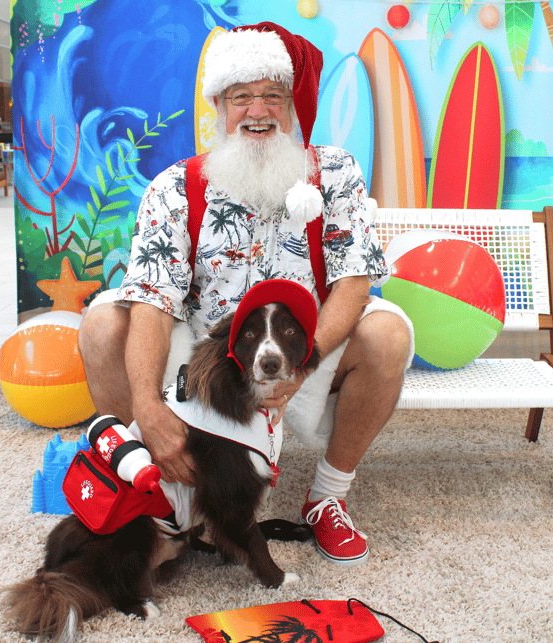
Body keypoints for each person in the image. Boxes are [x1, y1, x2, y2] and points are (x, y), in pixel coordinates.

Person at [78, 22, 414, 568]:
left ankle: (326, 497)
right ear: (219, 106)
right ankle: (154, 491)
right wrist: (145, 402)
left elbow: (354, 282)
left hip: (304, 350)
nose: (257, 110)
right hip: (206, 359)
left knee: (389, 331)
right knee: (99, 323)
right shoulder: (174, 187)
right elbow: (153, 298)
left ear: (292, 105)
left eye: (272, 95)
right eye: (242, 97)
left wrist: (301, 366)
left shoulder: (334, 174)